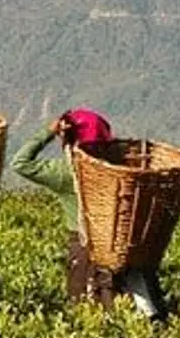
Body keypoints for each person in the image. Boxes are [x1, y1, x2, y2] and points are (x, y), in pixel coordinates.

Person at [12, 108, 166, 320]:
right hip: (124, 249)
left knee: (86, 310)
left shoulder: (66, 173)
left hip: (84, 249)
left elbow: (20, 162)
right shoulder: (120, 172)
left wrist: (47, 133)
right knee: (128, 308)